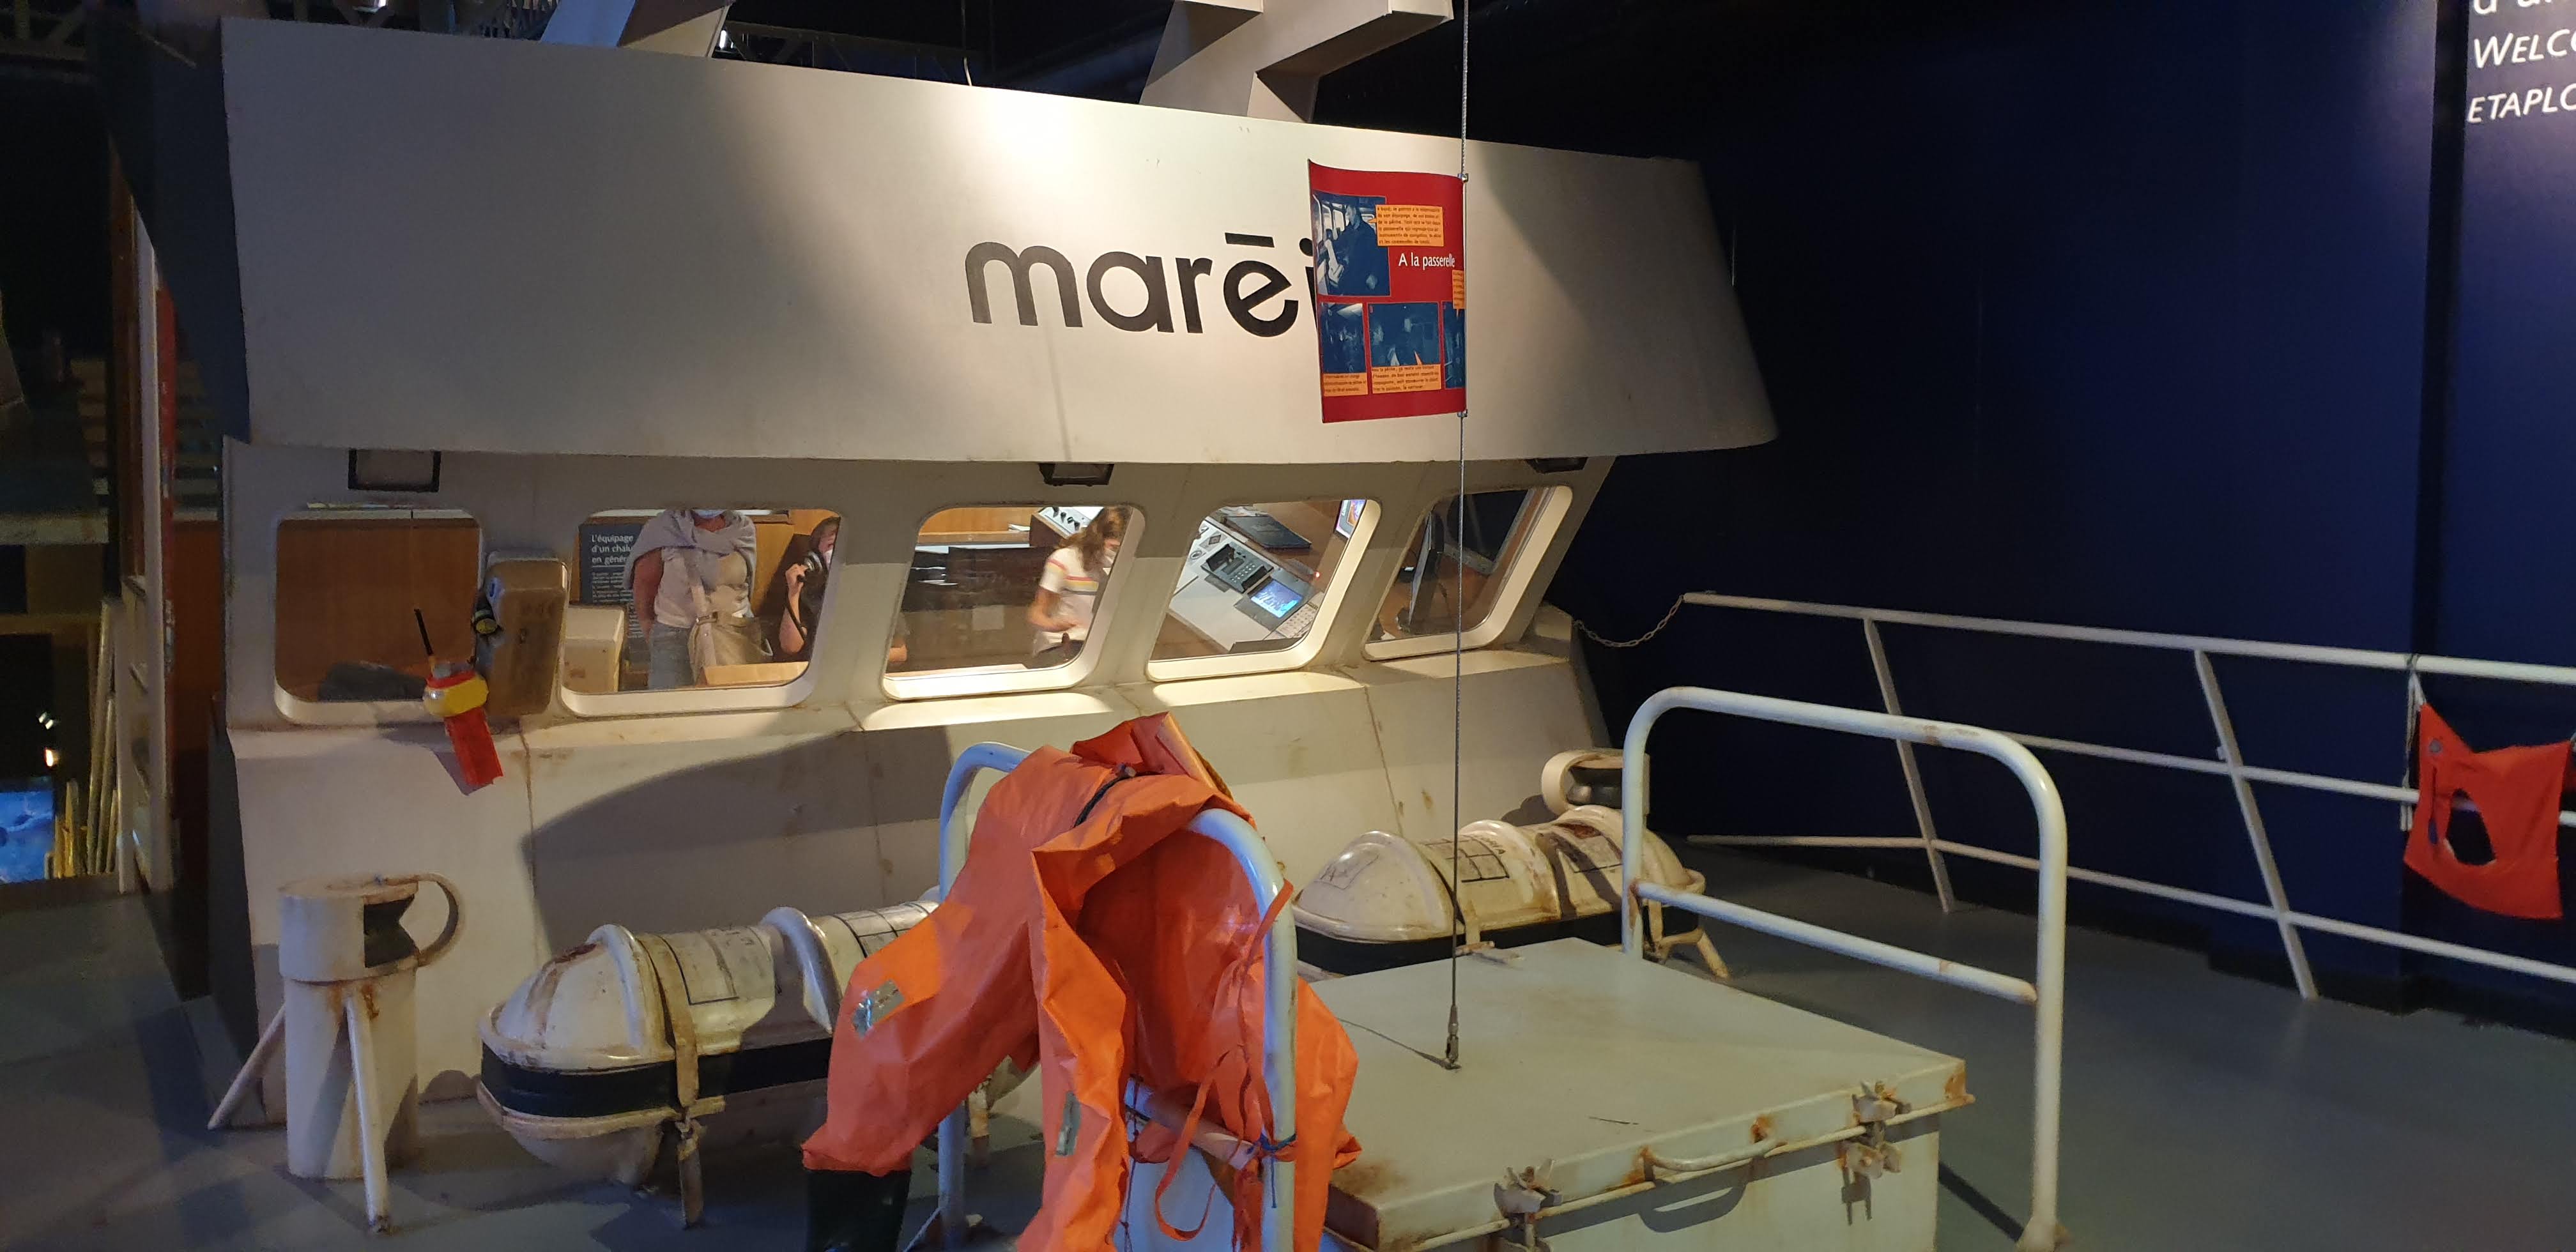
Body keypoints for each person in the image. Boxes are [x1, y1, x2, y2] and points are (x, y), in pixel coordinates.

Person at [629, 508, 764, 689]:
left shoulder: (742, 529)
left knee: (735, 704)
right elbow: (644, 587)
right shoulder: (662, 529)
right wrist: (653, 633)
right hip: (675, 640)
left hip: (734, 635)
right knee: (672, 705)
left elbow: (749, 581)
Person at [779, 517, 908, 668]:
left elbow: (900, 653)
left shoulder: (879, 592)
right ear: (815, 558)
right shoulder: (809, 593)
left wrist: (855, 659)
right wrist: (793, 593)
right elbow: (791, 647)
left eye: (846, 546)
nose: (839, 552)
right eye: (832, 545)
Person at [1027, 508, 1124, 666]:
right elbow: (1036, 614)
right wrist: (1055, 625)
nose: (1116, 554)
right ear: (1097, 538)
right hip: (1062, 644)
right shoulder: (1064, 559)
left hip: (1103, 646)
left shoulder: (1127, 564)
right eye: (1114, 548)